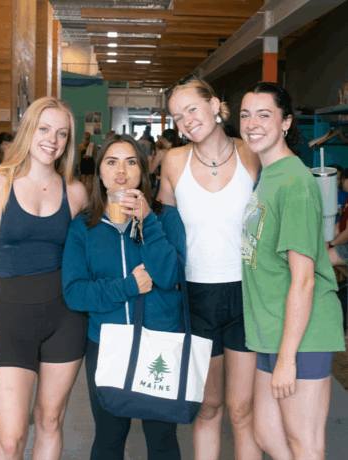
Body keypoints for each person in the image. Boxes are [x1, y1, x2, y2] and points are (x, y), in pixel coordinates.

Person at [0, 96, 89, 460]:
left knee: (50, 421)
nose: (52, 139)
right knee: (11, 438)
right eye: (44, 128)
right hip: (9, 318)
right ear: (28, 130)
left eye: (62, 133)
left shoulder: (75, 193)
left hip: (66, 319)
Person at [62, 134, 186, 460]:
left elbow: (171, 276)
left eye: (131, 162)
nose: (121, 171)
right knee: (108, 439)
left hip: (159, 342)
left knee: (162, 441)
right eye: (111, 162)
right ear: (100, 173)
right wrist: (127, 286)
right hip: (107, 345)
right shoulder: (83, 228)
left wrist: (147, 220)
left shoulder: (166, 218)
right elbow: (75, 293)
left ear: (142, 172)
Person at [240, 82, 345, 460]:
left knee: (305, 443)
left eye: (264, 115)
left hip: (302, 334)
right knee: (266, 432)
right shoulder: (267, 175)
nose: (252, 123)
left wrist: (287, 358)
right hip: (272, 329)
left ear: (286, 122)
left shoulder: (295, 183)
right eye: (246, 114)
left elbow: (302, 279)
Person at [159, 74, 261, 460]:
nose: (185, 122)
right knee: (208, 407)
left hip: (246, 294)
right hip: (196, 298)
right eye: (176, 117)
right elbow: (165, 235)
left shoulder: (251, 152)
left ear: (215, 106)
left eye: (191, 110)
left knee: (242, 409)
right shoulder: (173, 161)